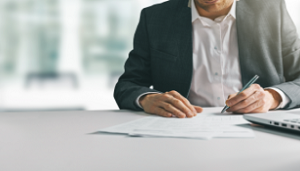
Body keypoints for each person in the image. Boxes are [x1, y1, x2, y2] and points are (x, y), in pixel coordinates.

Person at [114, 0, 300, 118]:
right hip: (179, 130)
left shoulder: (273, 11)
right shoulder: (155, 17)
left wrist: (271, 97)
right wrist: (148, 99)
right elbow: (127, 85)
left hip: (258, 128)